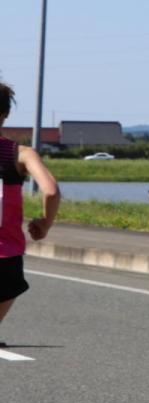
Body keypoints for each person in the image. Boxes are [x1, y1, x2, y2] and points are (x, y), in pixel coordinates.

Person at [0, 80, 60, 349]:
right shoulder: (20, 153)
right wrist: (44, 224)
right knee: (8, 288)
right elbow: (50, 191)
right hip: (6, 248)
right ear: (6, 114)